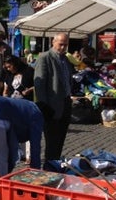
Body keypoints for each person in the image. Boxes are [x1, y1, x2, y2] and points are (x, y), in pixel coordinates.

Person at [34, 33, 73, 165]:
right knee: (51, 141)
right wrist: (44, 105)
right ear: (53, 42)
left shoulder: (66, 60)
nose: (63, 47)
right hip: (51, 106)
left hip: (65, 103)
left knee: (60, 140)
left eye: (65, 44)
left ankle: (55, 165)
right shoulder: (45, 58)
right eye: (61, 44)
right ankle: (49, 167)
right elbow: (39, 84)